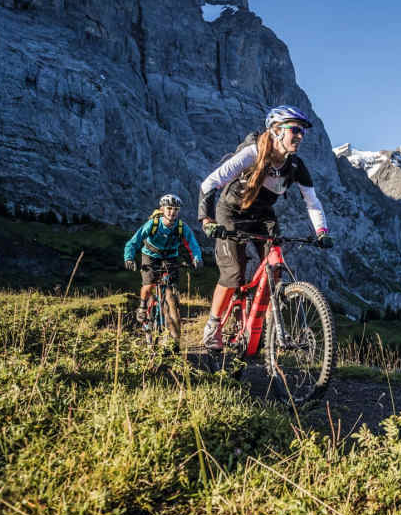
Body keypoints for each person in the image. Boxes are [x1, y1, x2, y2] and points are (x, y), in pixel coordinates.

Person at [198, 105, 334, 350]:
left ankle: (267, 323)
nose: (300, 136)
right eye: (295, 130)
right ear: (276, 131)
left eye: (302, 131)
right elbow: (210, 183)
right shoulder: (252, 153)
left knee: (275, 265)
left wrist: (321, 232)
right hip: (231, 213)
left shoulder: (295, 166)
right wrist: (207, 221)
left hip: (262, 216)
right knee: (234, 273)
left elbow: (312, 202)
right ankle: (213, 325)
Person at [123, 193, 203, 330]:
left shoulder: (182, 227)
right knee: (149, 285)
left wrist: (197, 258)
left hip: (170, 256)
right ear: (162, 209)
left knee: (172, 287)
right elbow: (134, 241)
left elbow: (193, 244)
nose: (172, 212)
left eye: (176, 209)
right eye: (169, 208)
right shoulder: (153, 224)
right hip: (150, 255)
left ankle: (171, 310)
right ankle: (142, 306)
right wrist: (128, 257)